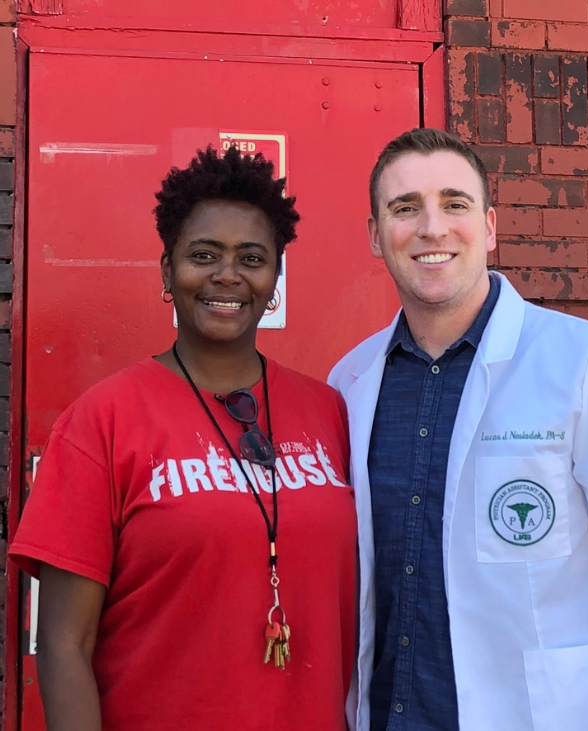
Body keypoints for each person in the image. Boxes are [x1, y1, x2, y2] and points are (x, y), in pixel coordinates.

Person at [328, 128, 588, 731]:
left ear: (488, 227)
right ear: (376, 236)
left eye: (454, 203)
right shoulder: (351, 381)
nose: (432, 228)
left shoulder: (585, 361)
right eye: (405, 208)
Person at [11, 145, 357, 731]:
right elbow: (65, 646)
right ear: (167, 271)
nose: (228, 275)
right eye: (203, 255)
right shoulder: (103, 420)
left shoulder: (328, 411)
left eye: (252, 258)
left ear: (274, 278)